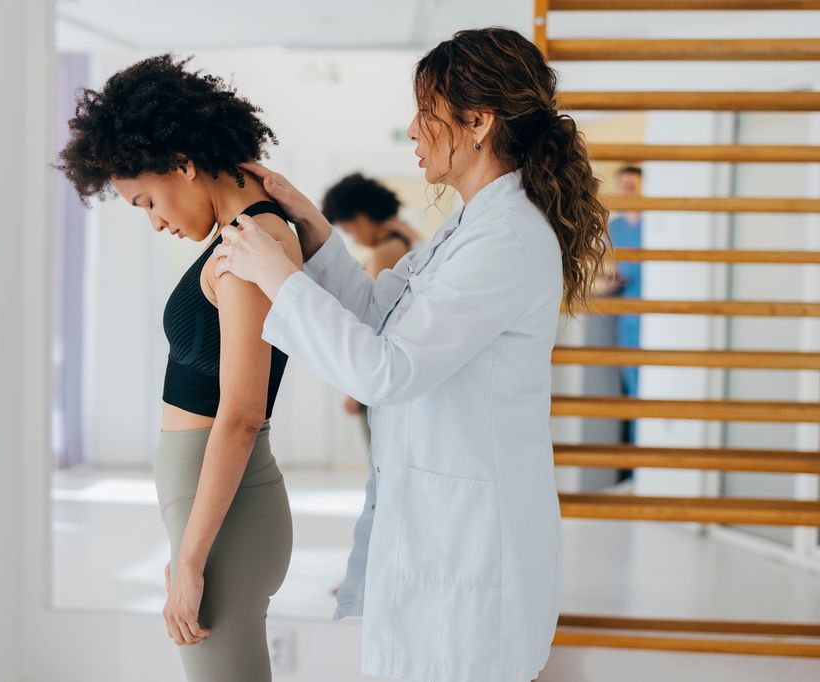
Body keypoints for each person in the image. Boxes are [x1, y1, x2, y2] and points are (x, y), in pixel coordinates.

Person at [213, 28, 610, 682]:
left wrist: (273, 275)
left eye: (426, 111)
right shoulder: (467, 226)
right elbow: (377, 316)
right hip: (442, 539)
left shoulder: (506, 238)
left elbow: (385, 371)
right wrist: (309, 226)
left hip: (472, 555)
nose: (412, 131)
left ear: (478, 122)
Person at [55, 53, 300, 682]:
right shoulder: (242, 238)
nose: (154, 220)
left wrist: (192, 559)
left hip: (227, 519)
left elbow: (242, 414)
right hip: (216, 512)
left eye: (145, 200)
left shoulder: (251, 243)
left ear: (184, 165)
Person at [321, 172, 418, 443]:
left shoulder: (383, 254)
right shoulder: (407, 241)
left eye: (350, 230)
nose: (353, 239)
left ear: (362, 218)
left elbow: (376, 323)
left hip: (378, 372)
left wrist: (354, 392)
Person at [606, 166, 643, 460]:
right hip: (628, 318)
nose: (626, 193)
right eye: (623, 187)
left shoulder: (657, 226)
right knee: (632, 392)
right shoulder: (615, 228)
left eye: (631, 186)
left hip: (653, 318)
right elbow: (617, 271)